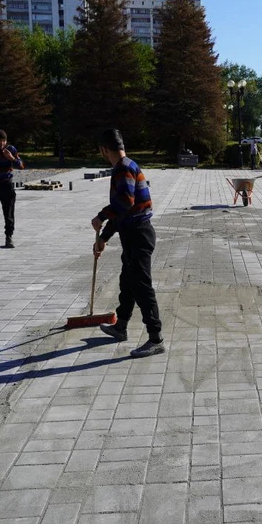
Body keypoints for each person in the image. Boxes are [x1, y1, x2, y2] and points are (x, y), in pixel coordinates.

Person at [92, 129, 165, 358]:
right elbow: (123, 212)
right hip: (132, 232)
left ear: (104, 149)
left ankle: (156, 339)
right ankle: (120, 326)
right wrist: (103, 238)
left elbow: (124, 203)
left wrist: (101, 216)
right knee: (128, 280)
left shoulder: (123, 168)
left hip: (139, 234)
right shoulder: (126, 165)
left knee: (142, 285)